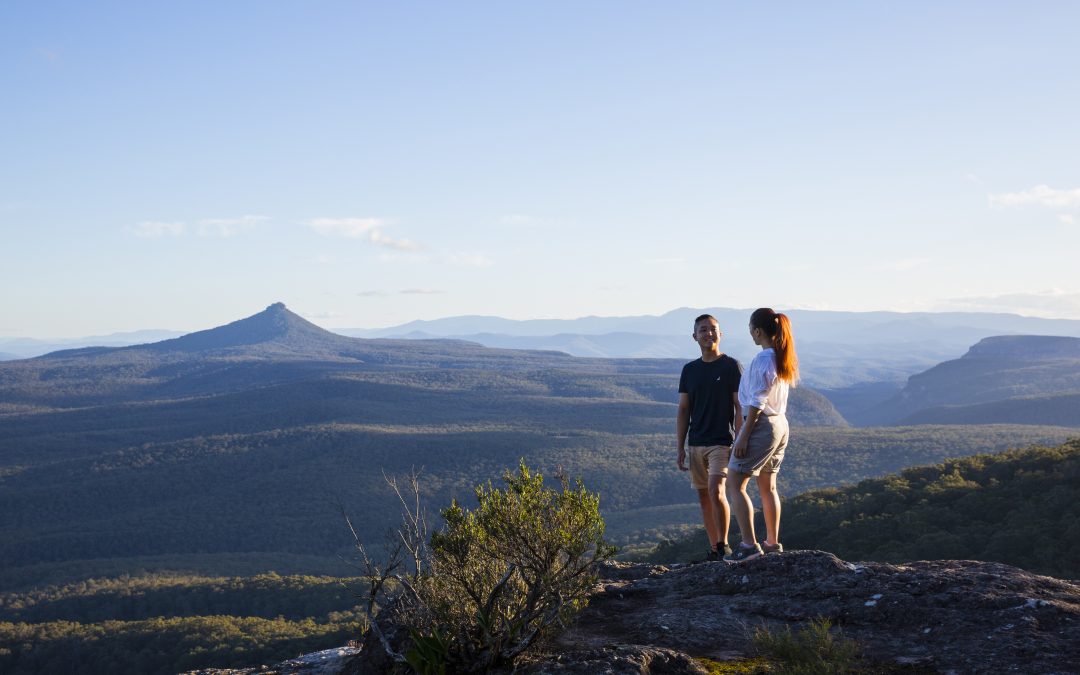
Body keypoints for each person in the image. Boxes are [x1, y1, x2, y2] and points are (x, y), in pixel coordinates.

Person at [725, 308, 799, 563]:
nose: (750, 333)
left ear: (757, 331)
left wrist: (743, 436)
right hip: (780, 424)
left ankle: (749, 546)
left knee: (735, 482)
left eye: (750, 328)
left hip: (762, 425)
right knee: (768, 485)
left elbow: (756, 402)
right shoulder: (781, 357)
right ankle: (772, 543)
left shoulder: (762, 360)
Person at [677, 314, 742, 560]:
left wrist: (739, 437)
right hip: (696, 442)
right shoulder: (689, 370)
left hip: (722, 441)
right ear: (695, 336)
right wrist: (680, 447)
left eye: (713, 329)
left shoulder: (731, 366)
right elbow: (684, 409)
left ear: (721, 334)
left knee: (716, 490)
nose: (708, 333)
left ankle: (724, 545)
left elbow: (739, 406)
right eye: (703, 330)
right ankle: (714, 548)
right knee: (704, 496)